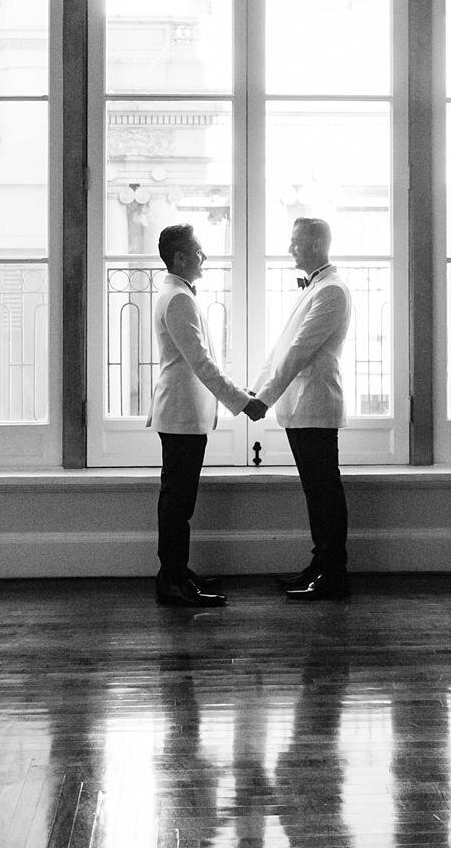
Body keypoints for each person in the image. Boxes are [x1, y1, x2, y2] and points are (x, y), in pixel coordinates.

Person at [148, 223, 265, 608]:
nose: (204, 258)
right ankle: (172, 581)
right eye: (199, 252)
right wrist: (242, 401)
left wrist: (237, 395)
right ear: (180, 257)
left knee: (179, 501)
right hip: (181, 413)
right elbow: (201, 363)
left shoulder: (175, 293)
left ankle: (177, 574)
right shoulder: (178, 298)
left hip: (184, 413)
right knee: (178, 503)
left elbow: (201, 361)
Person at [252, 217, 352, 600]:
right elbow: (283, 346)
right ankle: (320, 565)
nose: (290, 248)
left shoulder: (332, 291)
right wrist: (257, 389)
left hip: (315, 402)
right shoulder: (317, 287)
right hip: (301, 404)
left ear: (314, 245)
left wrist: (263, 399)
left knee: (324, 489)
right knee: (316, 490)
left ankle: (333, 573)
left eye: (295, 242)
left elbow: (299, 351)